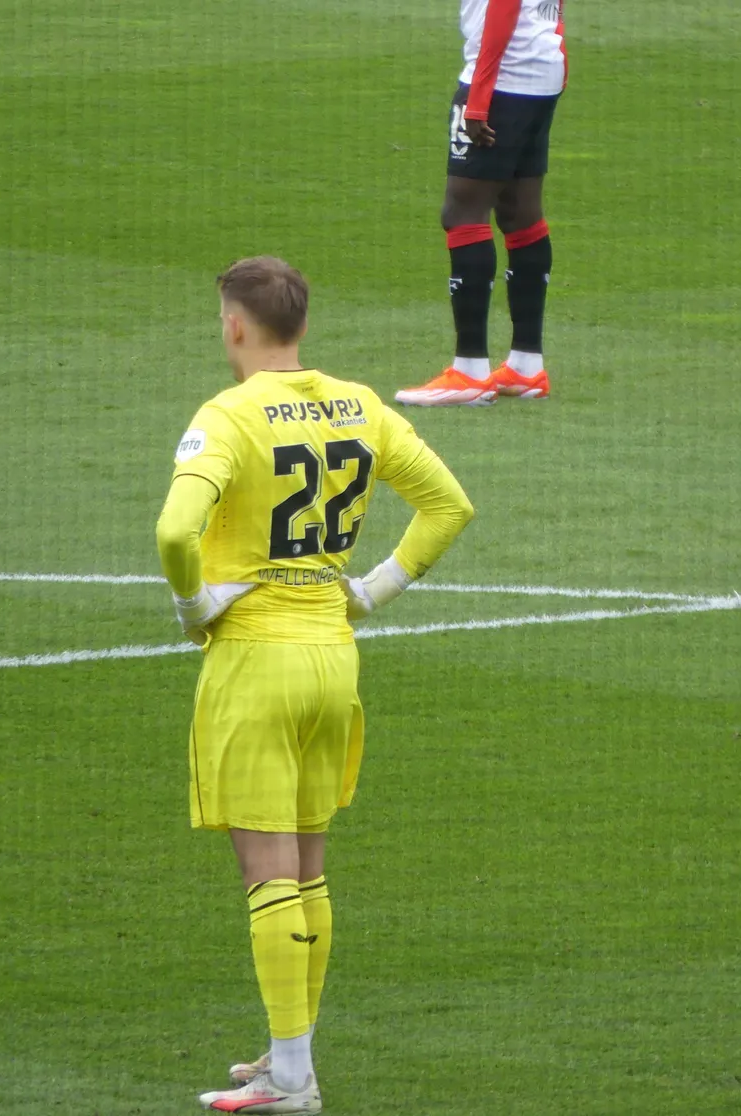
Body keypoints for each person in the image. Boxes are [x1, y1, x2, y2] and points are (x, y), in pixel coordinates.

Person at [156, 257, 474, 1111]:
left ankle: (292, 1079)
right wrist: (371, 591)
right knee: (308, 872)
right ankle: (286, 1055)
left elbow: (176, 528)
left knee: (267, 876)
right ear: (300, 323)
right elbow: (450, 506)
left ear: (235, 325)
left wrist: (194, 607)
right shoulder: (360, 404)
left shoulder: (226, 415)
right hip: (335, 659)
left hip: (256, 663)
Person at [395, 0, 564, 408]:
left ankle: (468, 370)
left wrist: (478, 97)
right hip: (541, 72)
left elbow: (503, 8)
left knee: (462, 214)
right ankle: (526, 365)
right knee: (520, 214)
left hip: (504, 79)